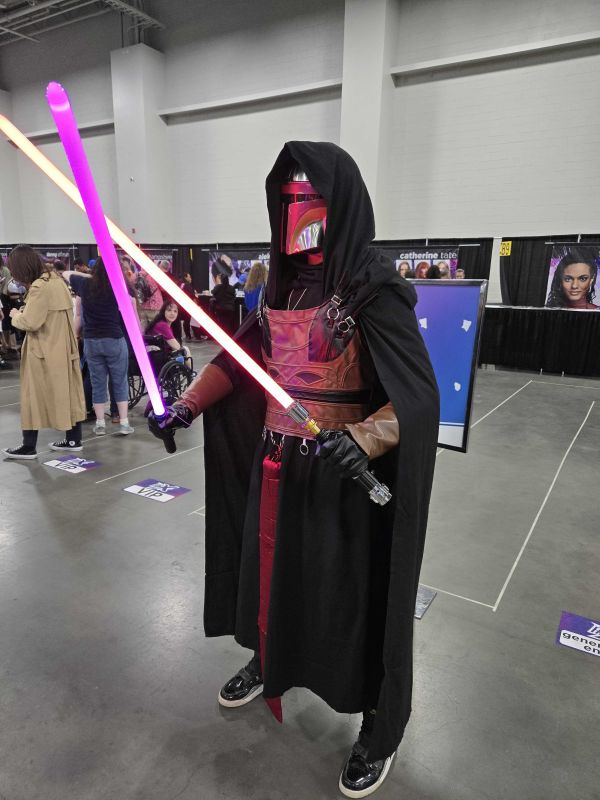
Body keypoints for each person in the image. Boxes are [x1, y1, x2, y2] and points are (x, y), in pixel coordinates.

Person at [148, 142, 439, 797]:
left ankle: (376, 724)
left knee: (349, 598)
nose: (297, 212)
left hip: (340, 478)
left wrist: (364, 437)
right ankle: (268, 657)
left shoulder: (373, 285)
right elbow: (241, 360)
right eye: (288, 199)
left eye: (310, 198)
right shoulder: (282, 285)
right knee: (270, 574)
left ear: (340, 203)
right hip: (277, 464)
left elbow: (418, 396)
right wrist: (187, 404)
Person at [2, 245, 86, 459]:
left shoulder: (39, 286)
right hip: (64, 349)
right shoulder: (56, 280)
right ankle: (73, 439)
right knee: (68, 393)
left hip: (43, 352)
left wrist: (15, 315)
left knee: (32, 397)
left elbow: (30, 322)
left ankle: (28, 446)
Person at [63, 258, 135, 436]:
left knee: (97, 383)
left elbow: (66, 273)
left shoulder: (84, 284)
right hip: (114, 339)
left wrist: (89, 276)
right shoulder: (118, 286)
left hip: (91, 340)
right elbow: (130, 312)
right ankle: (124, 422)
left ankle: (100, 423)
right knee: (120, 382)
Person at [146, 301, 192, 367]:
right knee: (185, 349)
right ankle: (189, 372)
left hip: (159, 354)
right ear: (163, 311)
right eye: (169, 310)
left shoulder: (166, 324)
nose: (172, 313)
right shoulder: (162, 325)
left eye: (175, 311)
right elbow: (177, 347)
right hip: (158, 357)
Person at [137, 262, 165, 330]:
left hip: (142, 304)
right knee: (155, 327)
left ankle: (143, 337)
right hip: (155, 305)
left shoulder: (137, 275)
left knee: (143, 327)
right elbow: (162, 288)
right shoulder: (155, 275)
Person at [179, 272, 197, 341]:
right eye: (189, 277)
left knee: (186, 321)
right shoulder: (187, 285)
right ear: (185, 277)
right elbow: (192, 295)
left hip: (183, 305)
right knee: (188, 320)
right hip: (188, 305)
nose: (191, 279)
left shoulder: (181, 284)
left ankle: (188, 335)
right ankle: (192, 336)